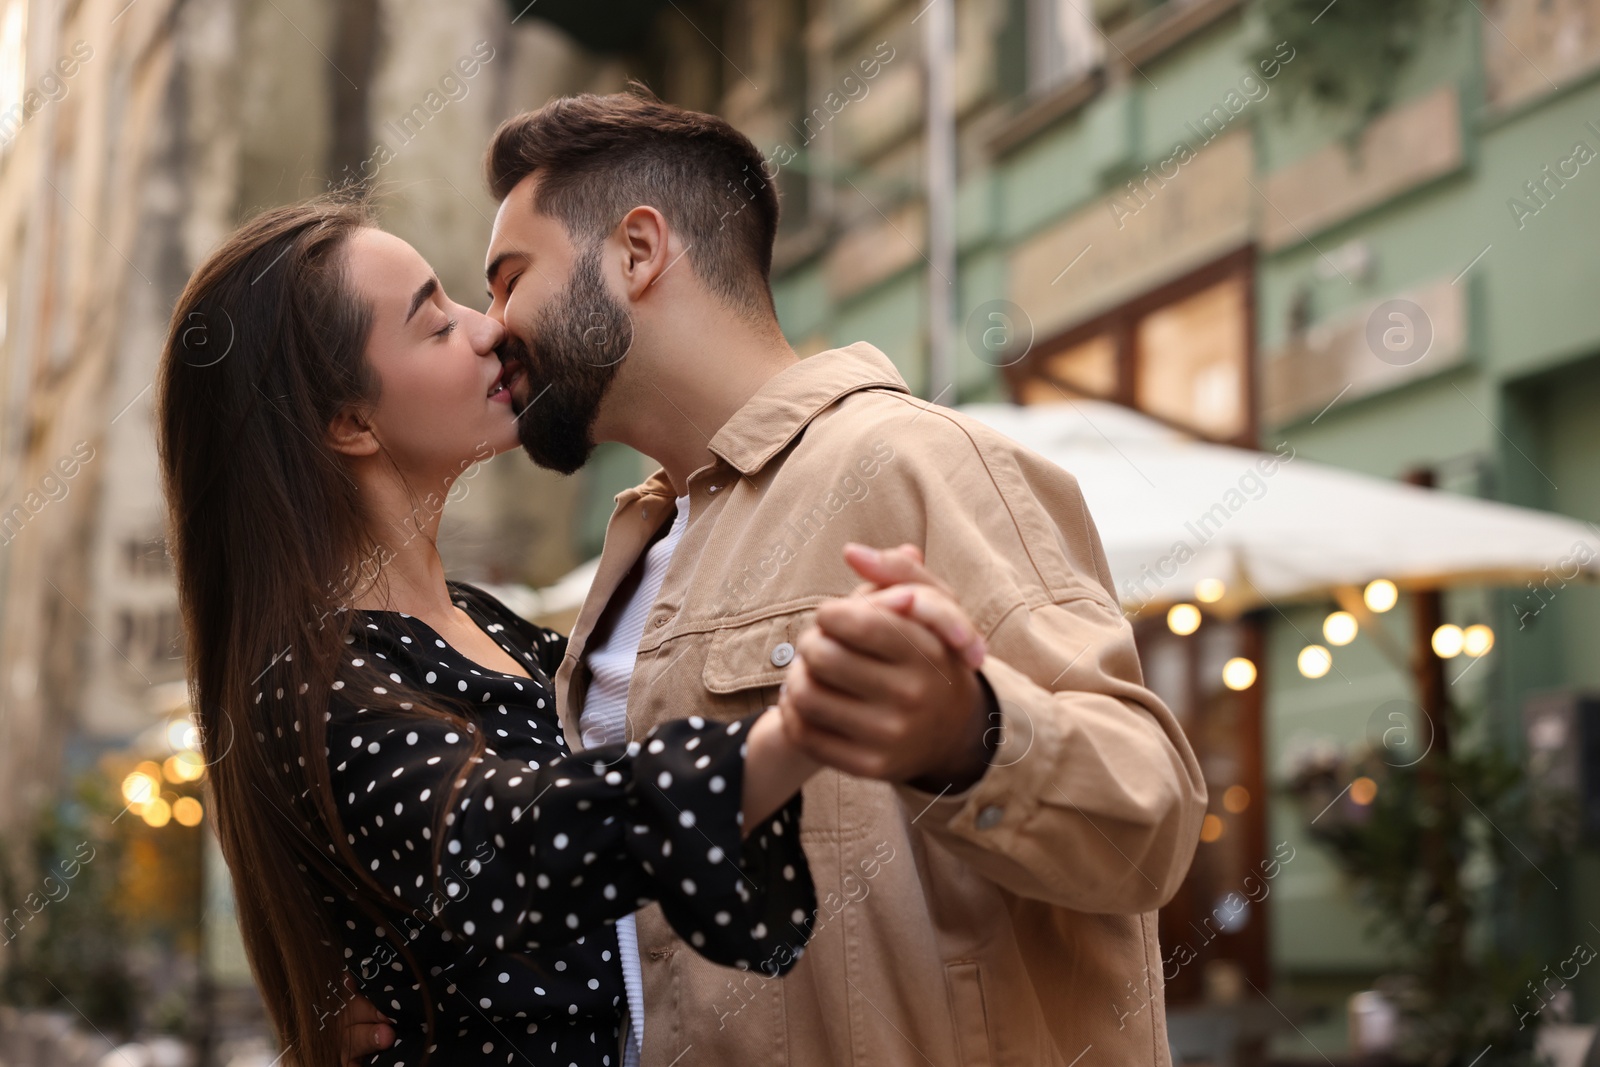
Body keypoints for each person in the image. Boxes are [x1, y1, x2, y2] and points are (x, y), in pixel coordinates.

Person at [451, 91, 1205, 1065]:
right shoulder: (639, 540)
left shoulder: (908, 458)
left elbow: (1147, 823)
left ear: (637, 251)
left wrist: (967, 730)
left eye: (510, 279)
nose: (491, 326)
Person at [155, 199, 983, 1067]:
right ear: (350, 424)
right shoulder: (311, 679)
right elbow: (513, 843)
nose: (489, 332)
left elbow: (708, 902)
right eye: (436, 326)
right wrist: (799, 730)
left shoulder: (491, 625)